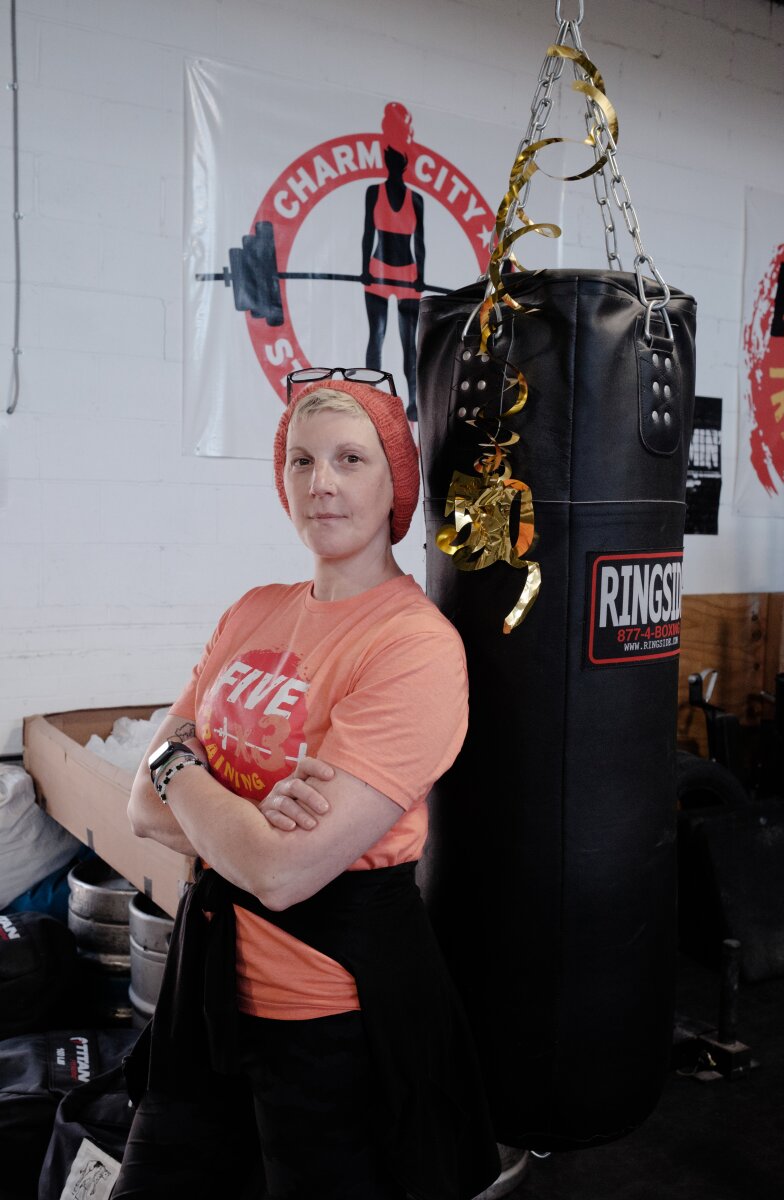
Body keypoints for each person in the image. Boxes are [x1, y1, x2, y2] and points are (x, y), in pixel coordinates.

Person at [113, 369, 499, 1200]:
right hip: (204, 987)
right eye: (301, 460)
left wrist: (187, 773)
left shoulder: (414, 646)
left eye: (351, 459)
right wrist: (227, 799)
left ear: (395, 482)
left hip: (328, 1019)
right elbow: (141, 802)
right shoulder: (253, 610)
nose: (321, 482)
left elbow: (283, 872)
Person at [362, 103, 425, 421]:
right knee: (376, 337)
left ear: (404, 163)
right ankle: (368, 400)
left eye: (399, 159)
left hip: (408, 276)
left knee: (408, 346)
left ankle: (414, 402)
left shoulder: (416, 199)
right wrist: (364, 270)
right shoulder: (373, 192)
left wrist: (420, 276)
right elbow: (367, 234)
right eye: (390, 158)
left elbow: (420, 243)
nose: (394, 164)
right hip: (377, 272)